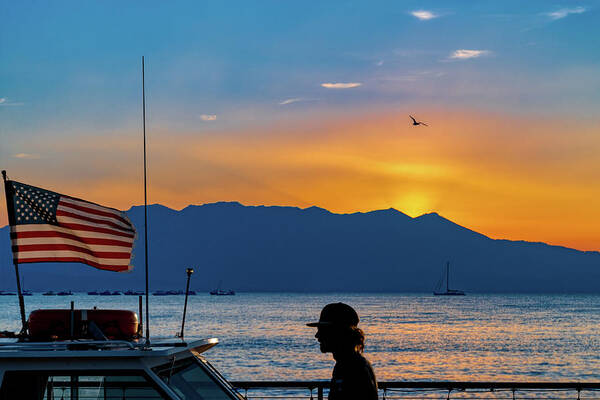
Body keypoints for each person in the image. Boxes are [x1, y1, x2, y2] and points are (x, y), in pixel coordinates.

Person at [307, 302, 378, 400]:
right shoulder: (347, 364)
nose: (317, 336)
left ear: (337, 332)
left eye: (322, 330)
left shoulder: (353, 368)